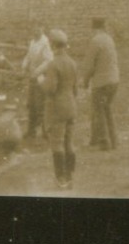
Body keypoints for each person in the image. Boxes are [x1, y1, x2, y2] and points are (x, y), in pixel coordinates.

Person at [39, 28, 79, 189]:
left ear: (53, 45)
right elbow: (75, 88)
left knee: (57, 143)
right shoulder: (72, 63)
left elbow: (50, 89)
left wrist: (41, 80)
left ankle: (61, 178)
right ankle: (69, 176)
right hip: (71, 105)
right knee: (69, 142)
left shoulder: (53, 64)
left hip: (57, 108)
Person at [84, 17, 120, 150]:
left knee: (99, 111)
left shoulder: (95, 41)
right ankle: (114, 140)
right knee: (107, 109)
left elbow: (89, 66)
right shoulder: (109, 39)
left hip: (102, 82)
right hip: (114, 80)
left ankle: (104, 142)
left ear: (94, 28)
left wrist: (85, 81)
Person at [21, 24, 53, 142]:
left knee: (41, 104)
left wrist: (37, 71)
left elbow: (48, 60)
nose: (36, 30)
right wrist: (24, 65)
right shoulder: (32, 42)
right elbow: (29, 56)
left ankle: (46, 131)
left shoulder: (45, 43)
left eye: (39, 28)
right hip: (33, 76)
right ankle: (31, 131)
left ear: (42, 29)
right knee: (32, 103)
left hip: (41, 76)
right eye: (34, 28)